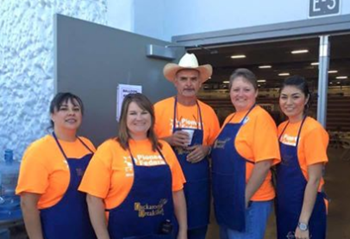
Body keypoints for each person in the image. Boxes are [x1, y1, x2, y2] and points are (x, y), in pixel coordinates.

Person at [79, 93, 187, 239]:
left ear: (151, 117)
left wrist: (183, 231)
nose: (139, 118)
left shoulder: (164, 148)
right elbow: (93, 198)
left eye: (144, 112)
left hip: (161, 232)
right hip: (123, 233)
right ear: (124, 118)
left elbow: (177, 192)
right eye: (133, 113)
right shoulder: (109, 149)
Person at [154, 53, 220, 239]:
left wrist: (206, 149)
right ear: (175, 82)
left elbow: (217, 145)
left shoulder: (208, 112)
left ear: (200, 83)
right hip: (165, 185)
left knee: (197, 232)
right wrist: (168, 140)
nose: (188, 84)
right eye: (184, 79)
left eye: (193, 79)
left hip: (198, 187)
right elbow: (143, 143)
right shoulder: (158, 109)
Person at [211, 68, 281, 239]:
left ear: (256, 92)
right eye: (236, 89)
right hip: (228, 198)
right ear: (230, 93)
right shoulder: (230, 118)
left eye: (246, 89)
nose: (240, 94)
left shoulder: (261, 119)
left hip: (251, 200)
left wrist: (243, 198)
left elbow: (264, 164)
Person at [16, 92, 96, 239]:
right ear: (52, 115)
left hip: (88, 229)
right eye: (64, 109)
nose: (71, 113)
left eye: (76, 109)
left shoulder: (88, 145)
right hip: (56, 230)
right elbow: (27, 204)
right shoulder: (39, 150)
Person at [276, 76, 328, 239]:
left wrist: (303, 223)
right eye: (284, 97)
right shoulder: (281, 128)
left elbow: (314, 180)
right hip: (285, 205)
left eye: (295, 96)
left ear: (306, 99)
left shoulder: (313, 130)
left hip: (307, 209)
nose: (288, 102)